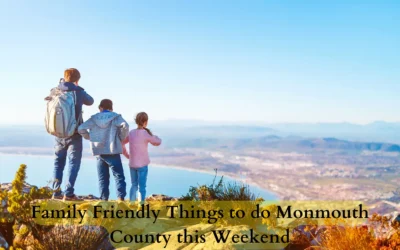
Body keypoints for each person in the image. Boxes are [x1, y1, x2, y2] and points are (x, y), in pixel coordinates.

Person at [47, 68, 94, 201]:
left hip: (59, 133)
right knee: (73, 163)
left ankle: (55, 192)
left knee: (58, 163)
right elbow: (91, 101)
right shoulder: (78, 92)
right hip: (74, 133)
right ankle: (68, 193)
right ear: (77, 79)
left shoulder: (56, 90)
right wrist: (78, 88)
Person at [78, 99, 128, 201]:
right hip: (113, 150)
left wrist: (89, 137)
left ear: (101, 107)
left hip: (99, 151)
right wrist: (120, 138)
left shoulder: (94, 118)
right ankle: (120, 199)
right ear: (111, 108)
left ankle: (103, 200)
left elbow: (80, 128)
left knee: (103, 179)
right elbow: (125, 126)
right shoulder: (116, 117)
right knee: (119, 176)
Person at [123, 112, 162, 202]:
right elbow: (158, 142)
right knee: (142, 186)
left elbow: (121, 144)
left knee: (134, 185)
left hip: (132, 164)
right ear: (146, 122)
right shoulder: (146, 133)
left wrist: (127, 155)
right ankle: (141, 205)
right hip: (142, 165)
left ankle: (131, 204)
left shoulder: (131, 133)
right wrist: (154, 136)